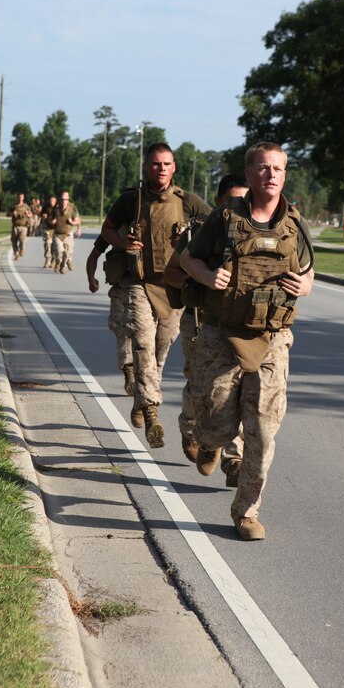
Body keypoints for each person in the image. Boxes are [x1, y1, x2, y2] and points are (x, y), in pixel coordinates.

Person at [180, 142, 314, 541]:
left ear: (285, 174)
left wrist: (305, 285)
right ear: (250, 173)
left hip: (272, 339)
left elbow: (308, 272)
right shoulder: (224, 217)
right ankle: (208, 441)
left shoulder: (295, 224)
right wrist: (207, 277)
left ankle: (246, 512)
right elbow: (188, 259)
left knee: (263, 430)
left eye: (278, 168)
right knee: (218, 424)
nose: (271, 174)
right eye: (263, 167)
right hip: (222, 336)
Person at [101, 142, 210, 448]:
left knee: (160, 353)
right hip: (138, 283)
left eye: (166, 164)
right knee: (143, 342)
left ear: (174, 168)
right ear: (146, 167)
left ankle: (141, 399)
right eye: (155, 163)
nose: (161, 169)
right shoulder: (130, 201)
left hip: (175, 287)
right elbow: (108, 229)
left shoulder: (188, 202)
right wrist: (123, 245)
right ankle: (151, 412)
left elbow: (217, 226)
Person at [164, 174, 248, 476]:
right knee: (201, 386)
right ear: (218, 202)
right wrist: (199, 278)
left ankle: (233, 458)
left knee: (237, 391)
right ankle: (192, 430)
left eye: (244, 201)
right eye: (231, 201)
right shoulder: (198, 231)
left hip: (240, 326)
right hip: (200, 321)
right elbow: (171, 273)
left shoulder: (253, 233)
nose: (238, 207)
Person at [86, 233, 135, 396]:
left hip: (149, 288)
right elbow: (94, 255)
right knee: (119, 325)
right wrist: (91, 278)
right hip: (121, 286)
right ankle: (129, 368)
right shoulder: (116, 226)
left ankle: (146, 372)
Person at [50, 191, 81, 273]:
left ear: (68, 200)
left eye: (65, 199)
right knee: (59, 251)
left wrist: (75, 225)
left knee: (67, 253)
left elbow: (78, 220)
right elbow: (50, 219)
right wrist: (52, 221)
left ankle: (63, 266)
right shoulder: (55, 209)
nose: (63, 201)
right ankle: (58, 263)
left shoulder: (72, 208)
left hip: (68, 234)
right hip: (58, 234)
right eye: (62, 199)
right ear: (60, 200)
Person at [7, 191, 32, 260]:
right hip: (15, 226)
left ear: (23, 198)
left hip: (23, 226)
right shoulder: (13, 206)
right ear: (17, 197)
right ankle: (16, 253)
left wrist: (27, 214)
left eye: (21, 197)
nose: (20, 199)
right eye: (19, 197)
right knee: (13, 241)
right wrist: (12, 213)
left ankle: (21, 249)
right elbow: (7, 214)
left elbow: (31, 215)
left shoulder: (26, 206)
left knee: (22, 241)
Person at [41, 193, 57, 268]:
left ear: (55, 201)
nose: (52, 202)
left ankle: (53, 260)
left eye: (53, 201)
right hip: (48, 228)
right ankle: (47, 259)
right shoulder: (45, 207)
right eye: (50, 201)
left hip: (56, 229)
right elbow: (41, 215)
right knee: (48, 243)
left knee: (55, 246)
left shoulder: (58, 208)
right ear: (48, 201)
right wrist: (43, 216)